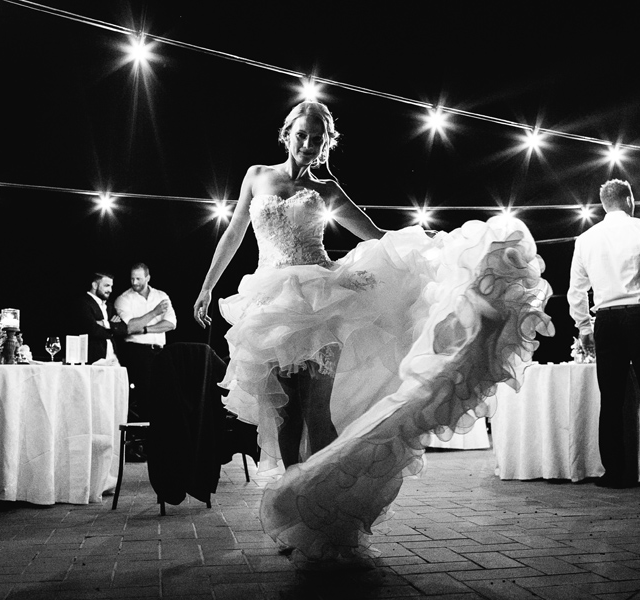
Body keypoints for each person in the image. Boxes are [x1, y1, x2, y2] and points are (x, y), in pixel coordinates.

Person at [193, 101, 554, 559]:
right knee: (286, 417)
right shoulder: (256, 175)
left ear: (327, 142)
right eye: (302, 134)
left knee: (317, 412)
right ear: (286, 133)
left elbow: (376, 236)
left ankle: (320, 509)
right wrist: (207, 287)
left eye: (318, 136)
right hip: (271, 304)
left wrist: (430, 253)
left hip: (323, 302)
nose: (309, 143)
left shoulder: (326, 189)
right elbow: (234, 232)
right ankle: (291, 511)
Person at [567, 179, 640, 491]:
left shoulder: (586, 238)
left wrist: (582, 327)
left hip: (606, 320)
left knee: (612, 398)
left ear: (604, 204)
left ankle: (615, 473)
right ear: (629, 200)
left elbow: (576, 291)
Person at [114, 263, 176, 424]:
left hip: (160, 351)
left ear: (148, 278)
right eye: (132, 278)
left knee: (165, 394)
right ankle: (143, 438)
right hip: (136, 351)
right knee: (146, 396)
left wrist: (145, 329)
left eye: (139, 278)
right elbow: (130, 327)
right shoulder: (123, 299)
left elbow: (171, 324)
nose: (134, 282)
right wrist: (155, 313)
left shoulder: (161, 296)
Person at [72, 271, 127, 364]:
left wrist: (105, 324)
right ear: (94, 285)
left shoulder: (109, 306)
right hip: (93, 359)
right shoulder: (83, 303)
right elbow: (92, 329)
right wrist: (113, 328)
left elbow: (124, 328)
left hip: (112, 358)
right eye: (106, 285)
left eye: (111, 286)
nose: (110, 290)